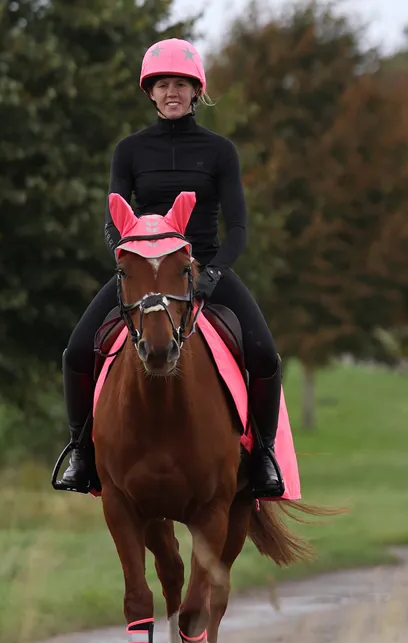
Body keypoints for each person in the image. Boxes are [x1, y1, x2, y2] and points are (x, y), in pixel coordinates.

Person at [53, 37, 286, 499]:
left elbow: (236, 228)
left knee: (264, 355)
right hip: (144, 269)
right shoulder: (129, 151)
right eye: (162, 84)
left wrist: (213, 272)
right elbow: (112, 223)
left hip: (203, 268)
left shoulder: (221, 151)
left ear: (196, 90)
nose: (171, 92)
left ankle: (262, 456)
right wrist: (131, 263)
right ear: (150, 93)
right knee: (76, 352)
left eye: (180, 83)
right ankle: (81, 452)